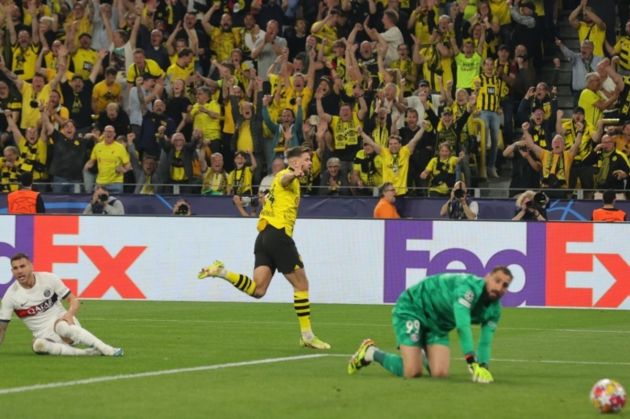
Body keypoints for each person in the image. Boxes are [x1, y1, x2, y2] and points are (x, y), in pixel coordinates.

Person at [198, 146, 330, 350]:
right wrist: (294, 174)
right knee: (302, 285)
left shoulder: (283, 182)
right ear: (295, 163)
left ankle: (221, 272)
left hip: (264, 237)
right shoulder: (285, 175)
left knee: (258, 290)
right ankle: (307, 335)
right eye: (306, 159)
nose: (310, 162)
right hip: (278, 236)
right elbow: (285, 179)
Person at [347, 266, 513, 382]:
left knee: (440, 374)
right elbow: (463, 327)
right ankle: (370, 352)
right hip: (415, 308)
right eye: (497, 280)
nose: (499, 287)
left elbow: (485, 341)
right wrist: (471, 362)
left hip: (439, 324)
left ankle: (423, 355)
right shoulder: (468, 289)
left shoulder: (495, 310)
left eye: (505, 285)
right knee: (412, 371)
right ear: (487, 277)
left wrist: (483, 366)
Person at [0, 253, 123, 356]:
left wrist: (69, 315)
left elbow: (73, 300)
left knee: (61, 327)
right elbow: (2, 328)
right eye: (15, 268)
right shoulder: (10, 296)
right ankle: (87, 353)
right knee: (38, 345)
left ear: (31, 266)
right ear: (12, 271)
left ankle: (107, 349)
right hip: (47, 337)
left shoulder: (49, 279)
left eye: (22, 266)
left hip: (67, 325)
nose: (19, 271)